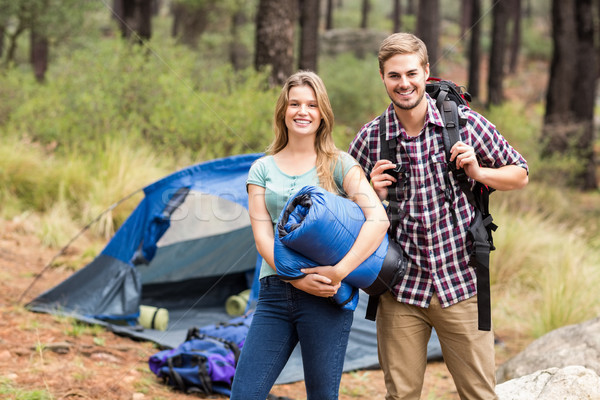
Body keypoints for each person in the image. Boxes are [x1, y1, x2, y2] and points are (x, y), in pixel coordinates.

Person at [348, 33, 529, 400]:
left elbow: (520, 173)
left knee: (479, 394)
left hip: (461, 283)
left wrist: (479, 173)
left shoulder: (464, 125)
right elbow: (344, 218)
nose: (404, 84)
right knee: (401, 395)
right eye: (394, 76)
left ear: (426, 72)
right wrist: (372, 193)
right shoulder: (370, 138)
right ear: (382, 77)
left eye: (411, 73)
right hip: (399, 290)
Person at [230, 71, 389, 400]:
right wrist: (294, 279)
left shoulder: (340, 164)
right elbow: (262, 237)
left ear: (322, 114)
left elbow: (379, 219)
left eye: (312, 105)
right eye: (295, 104)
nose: (303, 111)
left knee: (322, 396)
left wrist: (339, 272)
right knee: (244, 394)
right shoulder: (262, 168)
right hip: (274, 292)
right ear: (283, 112)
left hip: (328, 296)